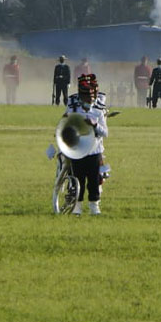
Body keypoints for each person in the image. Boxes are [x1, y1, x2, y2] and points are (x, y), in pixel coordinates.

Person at [62, 74, 110, 216]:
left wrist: (95, 125)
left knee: (94, 180)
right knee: (78, 180)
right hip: (78, 150)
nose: (89, 100)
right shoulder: (73, 109)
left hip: (94, 151)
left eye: (91, 97)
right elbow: (66, 126)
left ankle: (94, 206)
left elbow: (105, 133)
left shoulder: (98, 110)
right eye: (86, 98)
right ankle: (77, 206)